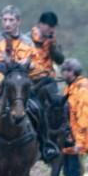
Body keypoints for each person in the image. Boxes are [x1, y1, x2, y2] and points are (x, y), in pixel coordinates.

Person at [0, 5, 60, 172]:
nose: (7, 24)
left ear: (18, 22)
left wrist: (28, 66)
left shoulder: (27, 43)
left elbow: (39, 68)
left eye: (11, 20)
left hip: (22, 93)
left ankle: (45, 147)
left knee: (40, 112)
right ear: (1, 20)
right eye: (5, 20)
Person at [60, 59, 88, 176]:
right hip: (69, 139)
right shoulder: (71, 88)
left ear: (72, 72)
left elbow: (84, 119)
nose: (62, 74)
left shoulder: (82, 89)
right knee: (68, 172)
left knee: (75, 173)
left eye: (65, 71)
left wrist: (79, 142)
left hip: (77, 140)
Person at [30, 11, 68, 146]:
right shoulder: (27, 39)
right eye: (49, 26)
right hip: (31, 81)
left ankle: (59, 139)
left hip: (48, 81)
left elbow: (60, 60)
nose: (52, 29)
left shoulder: (52, 40)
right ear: (40, 24)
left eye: (53, 26)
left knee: (60, 105)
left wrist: (52, 46)